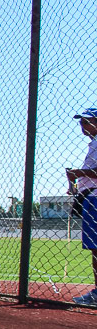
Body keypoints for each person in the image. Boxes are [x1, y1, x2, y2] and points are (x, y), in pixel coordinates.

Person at [68, 108, 97, 306]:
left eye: (87, 121)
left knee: (96, 249)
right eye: (81, 122)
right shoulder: (93, 144)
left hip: (95, 198)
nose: (83, 125)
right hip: (90, 196)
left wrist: (77, 173)